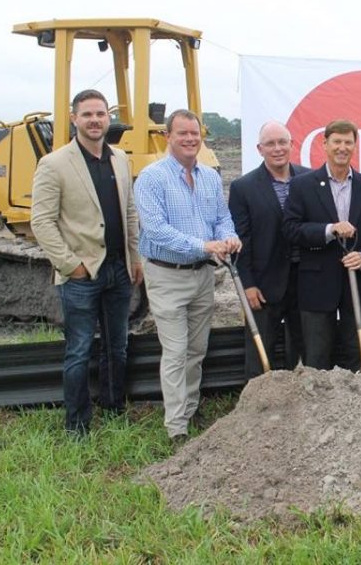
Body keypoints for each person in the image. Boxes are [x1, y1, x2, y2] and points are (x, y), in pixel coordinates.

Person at [30, 89, 143, 437]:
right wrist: (70, 265)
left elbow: (129, 211)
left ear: (108, 118)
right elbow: (42, 221)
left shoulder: (119, 159)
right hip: (81, 274)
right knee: (78, 350)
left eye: (100, 114)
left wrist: (134, 257)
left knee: (117, 345)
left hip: (118, 269)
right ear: (74, 118)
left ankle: (113, 408)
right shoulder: (54, 164)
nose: (95, 120)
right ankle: (77, 425)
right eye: (87, 114)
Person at [134, 109, 241, 447]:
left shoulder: (209, 176)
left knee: (197, 349)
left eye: (195, 134)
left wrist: (229, 237)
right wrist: (204, 244)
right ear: (169, 136)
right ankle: (176, 427)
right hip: (167, 276)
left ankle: (191, 410)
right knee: (176, 351)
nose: (191, 139)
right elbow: (157, 231)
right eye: (183, 134)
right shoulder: (151, 178)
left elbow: (221, 218)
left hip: (203, 275)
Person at [282, 120, 361, 370]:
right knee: (317, 356)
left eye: (348, 142)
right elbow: (290, 229)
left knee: (358, 352)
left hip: (358, 283)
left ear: (355, 145)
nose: (342, 148)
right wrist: (329, 230)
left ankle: (358, 405)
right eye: (337, 142)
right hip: (317, 285)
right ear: (325, 144)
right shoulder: (302, 186)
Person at [229, 121, 308, 379]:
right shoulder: (243, 188)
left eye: (282, 142)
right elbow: (242, 240)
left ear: (291, 144)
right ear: (259, 149)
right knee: (260, 355)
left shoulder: (310, 179)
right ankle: (257, 411)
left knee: (303, 350)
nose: (277, 149)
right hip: (263, 284)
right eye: (270, 144)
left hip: (305, 279)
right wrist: (248, 284)